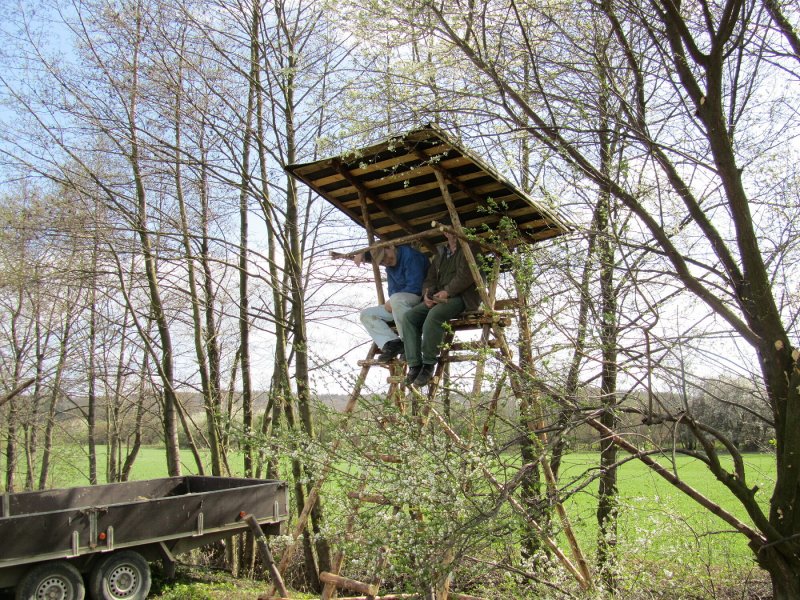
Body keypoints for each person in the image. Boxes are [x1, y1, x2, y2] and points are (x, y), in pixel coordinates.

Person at [400, 224, 482, 387]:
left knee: (434, 315)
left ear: (461, 228)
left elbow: (466, 276)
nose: (451, 232)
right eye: (448, 229)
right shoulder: (441, 253)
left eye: (454, 228)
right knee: (409, 317)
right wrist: (427, 294)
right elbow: (430, 278)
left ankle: (428, 364)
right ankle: (415, 365)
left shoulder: (470, 247)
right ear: (444, 233)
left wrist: (447, 292)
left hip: (463, 298)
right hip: (440, 297)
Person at [356, 244, 430, 363]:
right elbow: (392, 290)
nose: (386, 261)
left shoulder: (411, 256)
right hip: (399, 303)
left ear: (391, 247)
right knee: (366, 314)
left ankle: (410, 344)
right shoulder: (389, 266)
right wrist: (362, 253)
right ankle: (393, 343)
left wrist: (393, 299)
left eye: (385, 255)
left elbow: (415, 287)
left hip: (420, 299)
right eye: (382, 261)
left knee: (396, 299)